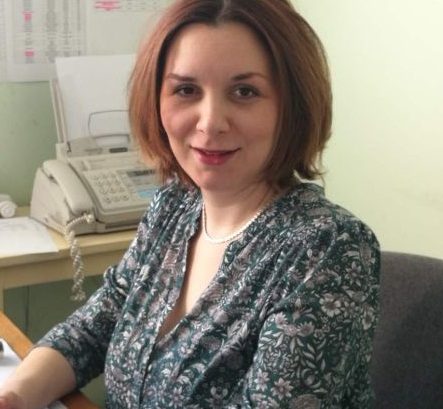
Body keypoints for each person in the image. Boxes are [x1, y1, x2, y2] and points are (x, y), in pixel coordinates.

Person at [0, 0, 380, 408]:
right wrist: (15, 395)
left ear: (293, 106)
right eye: (186, 90)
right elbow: (98, 324)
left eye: (245, 92)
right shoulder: (174, 206)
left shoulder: (328, 248)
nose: (210, 122)